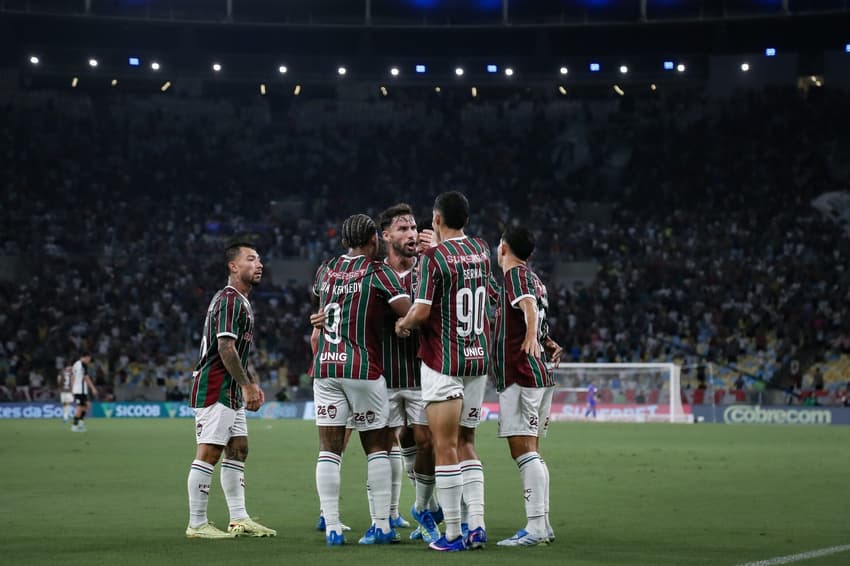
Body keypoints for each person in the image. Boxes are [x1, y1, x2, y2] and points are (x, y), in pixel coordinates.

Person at [395, 191, 493, 551]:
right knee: (467, 442)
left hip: (444, 361)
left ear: (436, 218)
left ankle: (452, 533)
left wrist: (403, 325)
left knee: (444, 445)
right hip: (478, 359)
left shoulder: (433, 259)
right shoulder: (481, 249)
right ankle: (477, 525)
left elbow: (420, 313)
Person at [311, 214, 412, 546]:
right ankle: (381, 525)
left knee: (329, 450)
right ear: (373, 240)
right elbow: (408, 310)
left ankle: (334, 527)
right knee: (377, 448)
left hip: (325, 366)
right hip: (363, 369)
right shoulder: (378, 272)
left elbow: (319, 309)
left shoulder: (325, 271)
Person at [184, 241, 276, 539]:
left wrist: (248, 382)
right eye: (251, 259)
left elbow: (235, 349)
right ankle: (197, 523)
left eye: (259, 259)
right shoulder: (229, 299)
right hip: (215, 386)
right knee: (209, 451)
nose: (259, 264)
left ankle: (238, 518)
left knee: (238, 449)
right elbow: (225, 347)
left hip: (230, 388)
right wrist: (246, 384)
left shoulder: (241, 301)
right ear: (233, 266)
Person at [491, 226, 563, 547]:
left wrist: (532, 337)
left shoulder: (516, 276)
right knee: (531, 452)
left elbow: (530, 308)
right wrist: (545, 339)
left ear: (504, 248)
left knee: (522, 452)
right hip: (539, 373)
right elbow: (533, 310)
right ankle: (543, 524)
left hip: (521, 373)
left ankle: (534, 528)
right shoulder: (535, 279)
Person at [377, 203, 442, 543]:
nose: (412, 234)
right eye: (402, 229)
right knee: (394, 443)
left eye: (414, 227)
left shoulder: (431, 268)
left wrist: (438, 254)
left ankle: (422, 508)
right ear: (386, 235)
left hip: (423, 373)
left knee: (427, 440)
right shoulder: (375, 272)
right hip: (384, 375)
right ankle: (385, 517)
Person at [70, 354, 97, 432]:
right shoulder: (82, 364)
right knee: (80, 407)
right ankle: (74, 426)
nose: (89, 361)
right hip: (80, 390)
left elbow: (72, 377)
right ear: (85, 357)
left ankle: (81, 423)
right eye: (89, 359)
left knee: (87, 405)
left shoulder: (75, 364)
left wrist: (72, 389)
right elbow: (86, 377)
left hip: (80, 389)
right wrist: (93, 388)